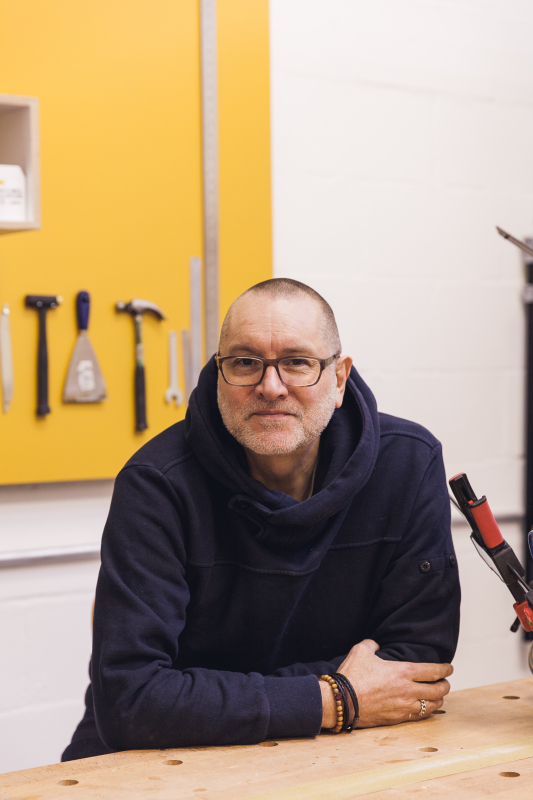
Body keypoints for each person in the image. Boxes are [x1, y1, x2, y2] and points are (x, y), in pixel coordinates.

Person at [63, 278, 458, 760]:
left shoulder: (408, 465)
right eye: (246, 362)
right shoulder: (156, 483)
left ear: (339, 379)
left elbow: (417, 668)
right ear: (219, 372)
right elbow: (132, 702)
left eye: (297, 362)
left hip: (339, 751)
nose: (270, 387)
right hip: (156, 762)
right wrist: (334, 696)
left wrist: (201, 696)